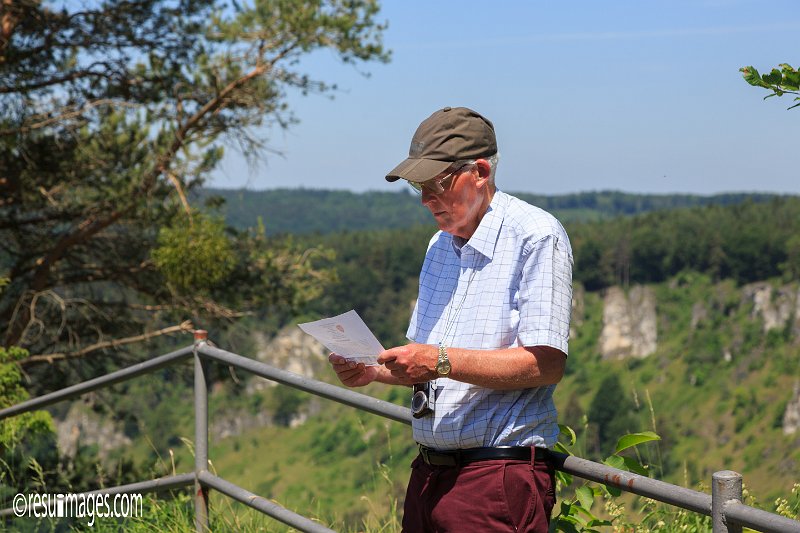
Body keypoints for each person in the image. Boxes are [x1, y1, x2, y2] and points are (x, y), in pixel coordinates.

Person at [328, 106, 573, 532]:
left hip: (495, 478)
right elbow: (430, 367)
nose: (425, 200)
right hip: (429, 475)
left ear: (479, 171)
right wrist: (371, 371)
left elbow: (547, 364)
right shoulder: (439, 246)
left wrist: (439, 360)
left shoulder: (537, 234)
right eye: (417, 187)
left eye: (435, 184)